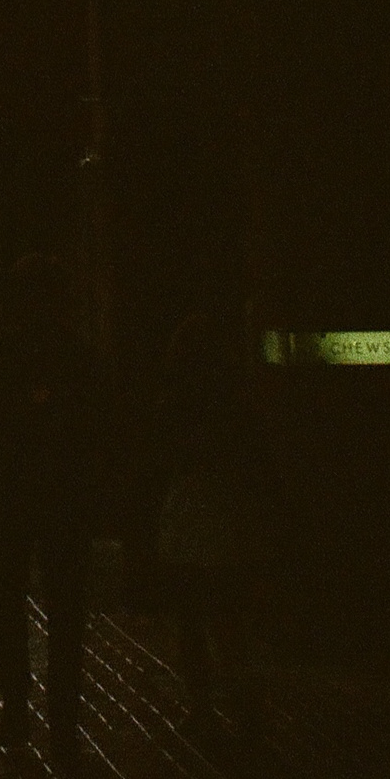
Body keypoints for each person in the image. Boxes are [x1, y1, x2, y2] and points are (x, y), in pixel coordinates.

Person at [0, 255, 98, 765]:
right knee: (65, 611)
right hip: (62, 500)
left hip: (12, 499)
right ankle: (63, 719)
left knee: (10, 604)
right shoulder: (75, 359)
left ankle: (17, 709)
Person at [152, 311, 270, 753]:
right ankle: (247, 712)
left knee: (192, 621)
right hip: (226, 515)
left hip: (187, 518)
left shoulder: (173, 406)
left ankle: (202, 709)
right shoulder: (236, 404)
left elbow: (159, 460)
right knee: (230, 623)